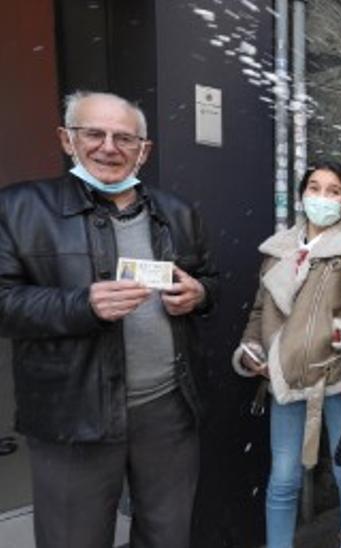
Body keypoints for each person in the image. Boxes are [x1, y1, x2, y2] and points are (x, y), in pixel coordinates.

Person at [0, 91, 217, 547]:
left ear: (145, 149)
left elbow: (208, 280)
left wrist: (199, 295)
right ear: (66, 140)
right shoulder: (18, 208)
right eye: (93, 133)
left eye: (124, 137)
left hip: (168, 410)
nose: (108, 147)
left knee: (167, 535)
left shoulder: (177, 213)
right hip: (73, 414)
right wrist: (82, 305)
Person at [233, 160, 341, 548]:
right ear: (302, 195)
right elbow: (260, 311)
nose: (321, 197)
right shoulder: (278, 250)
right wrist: (250, 348)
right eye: (314, 188)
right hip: (284, 377)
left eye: (333, 191)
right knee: (283, 476)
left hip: (335, 378)